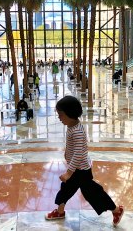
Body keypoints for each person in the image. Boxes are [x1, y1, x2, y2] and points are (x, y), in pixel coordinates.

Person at [45, 96, 124, 227]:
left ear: (70, 114)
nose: (59, 117)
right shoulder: (72, 125)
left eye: (60, 115)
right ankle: (60, 211)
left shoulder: (77, 132)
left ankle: (116, 210)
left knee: (92, 193)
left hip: (81, 171)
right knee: (66, 189)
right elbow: (75, 148)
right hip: (76, 168)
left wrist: (69, 173)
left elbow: (78, 153)